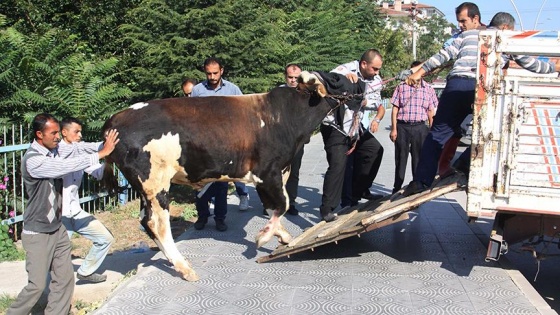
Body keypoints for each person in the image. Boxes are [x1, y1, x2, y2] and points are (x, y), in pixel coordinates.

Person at [402, 11, 560, 197]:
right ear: (505, 27)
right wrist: (554, 68)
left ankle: (421, 181)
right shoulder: (506, 37)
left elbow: (444, 55)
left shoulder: (468, 34)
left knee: (437, 135)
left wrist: (419, 72)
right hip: (483, 87)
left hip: (456, 85)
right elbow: (531, 64)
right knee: (490, 133)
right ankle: (464, 164)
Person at [7, 113, 118, 315]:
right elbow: (62, 167)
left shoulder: (55, 149)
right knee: (37, 286)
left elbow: (76, 148)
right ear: (39, 134)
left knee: (64, 279)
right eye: (54, 133)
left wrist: (103, 145)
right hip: (38, 231)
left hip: (57, 228)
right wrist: (101, 153)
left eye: (59, 132)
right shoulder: (33, 160)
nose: (58, 137)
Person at [319, 49, 385, 222]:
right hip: (335, 126)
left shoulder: (375, 80)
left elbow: (376, 101)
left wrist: (364, 101)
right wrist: (345, 82)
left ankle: (360, 189)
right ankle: (327, 208)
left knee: (374, 149)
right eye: (374, 69)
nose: (377, 73)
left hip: (355, 128)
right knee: (338, 165)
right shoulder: (344, 70)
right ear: (364, 64)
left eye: (378, 69)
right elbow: (329, 83)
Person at [191, 57, 246, 231]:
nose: (212, 77)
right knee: (200, 182)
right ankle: (202, 216)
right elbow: (190, 116)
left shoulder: (233, 89)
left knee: (221, 183)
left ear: (222, 70)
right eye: (209, 73)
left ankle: (220, 219)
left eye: (215, 73)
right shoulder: (198, 90)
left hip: (225, 144)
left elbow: (242, 113)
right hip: (203, 144)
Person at [58, 117, 114, 283]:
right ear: (64, 132)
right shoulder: (58, 152)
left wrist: (109, 162)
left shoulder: (78, 152)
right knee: (57, 254)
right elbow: (80, 158)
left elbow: (97, 172)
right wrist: (101, 151)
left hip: (75, 211)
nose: (80, 135)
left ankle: (86, 271)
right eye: (76, 132)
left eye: (81, 131)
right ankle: (49, 289)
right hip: (60, 216)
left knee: (105, 239)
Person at [438, 2, 483, 177]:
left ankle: (458, 163)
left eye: (463, 21)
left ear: (476, 19)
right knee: (456, 129)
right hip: (465, 84)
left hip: (478, 86)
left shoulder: (489, 36)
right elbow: (445, 51)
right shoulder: (460, 37)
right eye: (459, 21)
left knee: (481, 130)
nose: (460, 25)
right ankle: (447, 165)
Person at [390, 61, 437, 194]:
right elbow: (395, 109)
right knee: (400, 158)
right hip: (402, 127)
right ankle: (397, 187)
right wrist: (394, 129)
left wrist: (432, 133)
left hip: (420, 128)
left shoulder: (428, 89)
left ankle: (416, 187)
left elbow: (430, 112)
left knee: (418, 159)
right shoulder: (401, 87)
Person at [263, 63, 302, 216]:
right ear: (285, 77)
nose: (293, 80)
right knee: (273, 171)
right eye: (290, 77)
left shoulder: (305, 94)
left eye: (296, 78)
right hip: (278, 140)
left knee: (294, 172)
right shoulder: (277, 93)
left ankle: (290, 202)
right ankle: (270, 202)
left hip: (297, 140)